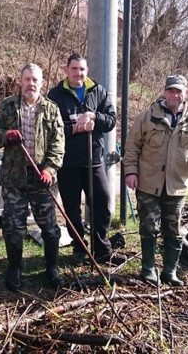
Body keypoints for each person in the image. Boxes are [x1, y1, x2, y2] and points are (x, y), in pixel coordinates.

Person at [123, 74, 188, 286]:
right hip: (148, 183)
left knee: (173, 230)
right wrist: (130, 172)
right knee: (148, 227)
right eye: (171, 90)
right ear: (164, 92)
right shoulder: (148, 116)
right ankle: (148, 270)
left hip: (177, 185)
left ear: (186, 93)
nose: (174, 94)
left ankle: (170, 272)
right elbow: (132, 146)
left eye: (179, 91)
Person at [0, 63, 66, 291]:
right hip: (14, 179)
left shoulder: (51, 109)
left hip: (43, 180)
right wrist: (5, 136)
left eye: (35, 80)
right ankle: (14, 268)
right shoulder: (8, 106)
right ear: (20, 81)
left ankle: (52, 267)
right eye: (27, 79)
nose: (31, 83)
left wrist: (50, 169)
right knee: (13, 227)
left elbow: (59, 145)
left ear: (42, 83)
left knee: (50, 228)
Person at [47, 53, 125, 265]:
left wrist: (93, 117)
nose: (78, 73)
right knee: (72, 208)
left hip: (94, 160)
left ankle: (101, 248)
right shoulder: (55, 95)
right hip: (68, 162)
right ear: (67, 70)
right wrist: (75, 127)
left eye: (82, 69)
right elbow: (49, 128)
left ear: (86, 70)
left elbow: (110, 121)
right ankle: (79, 247)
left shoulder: (97, 91)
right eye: (74, 69)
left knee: (101, 203)